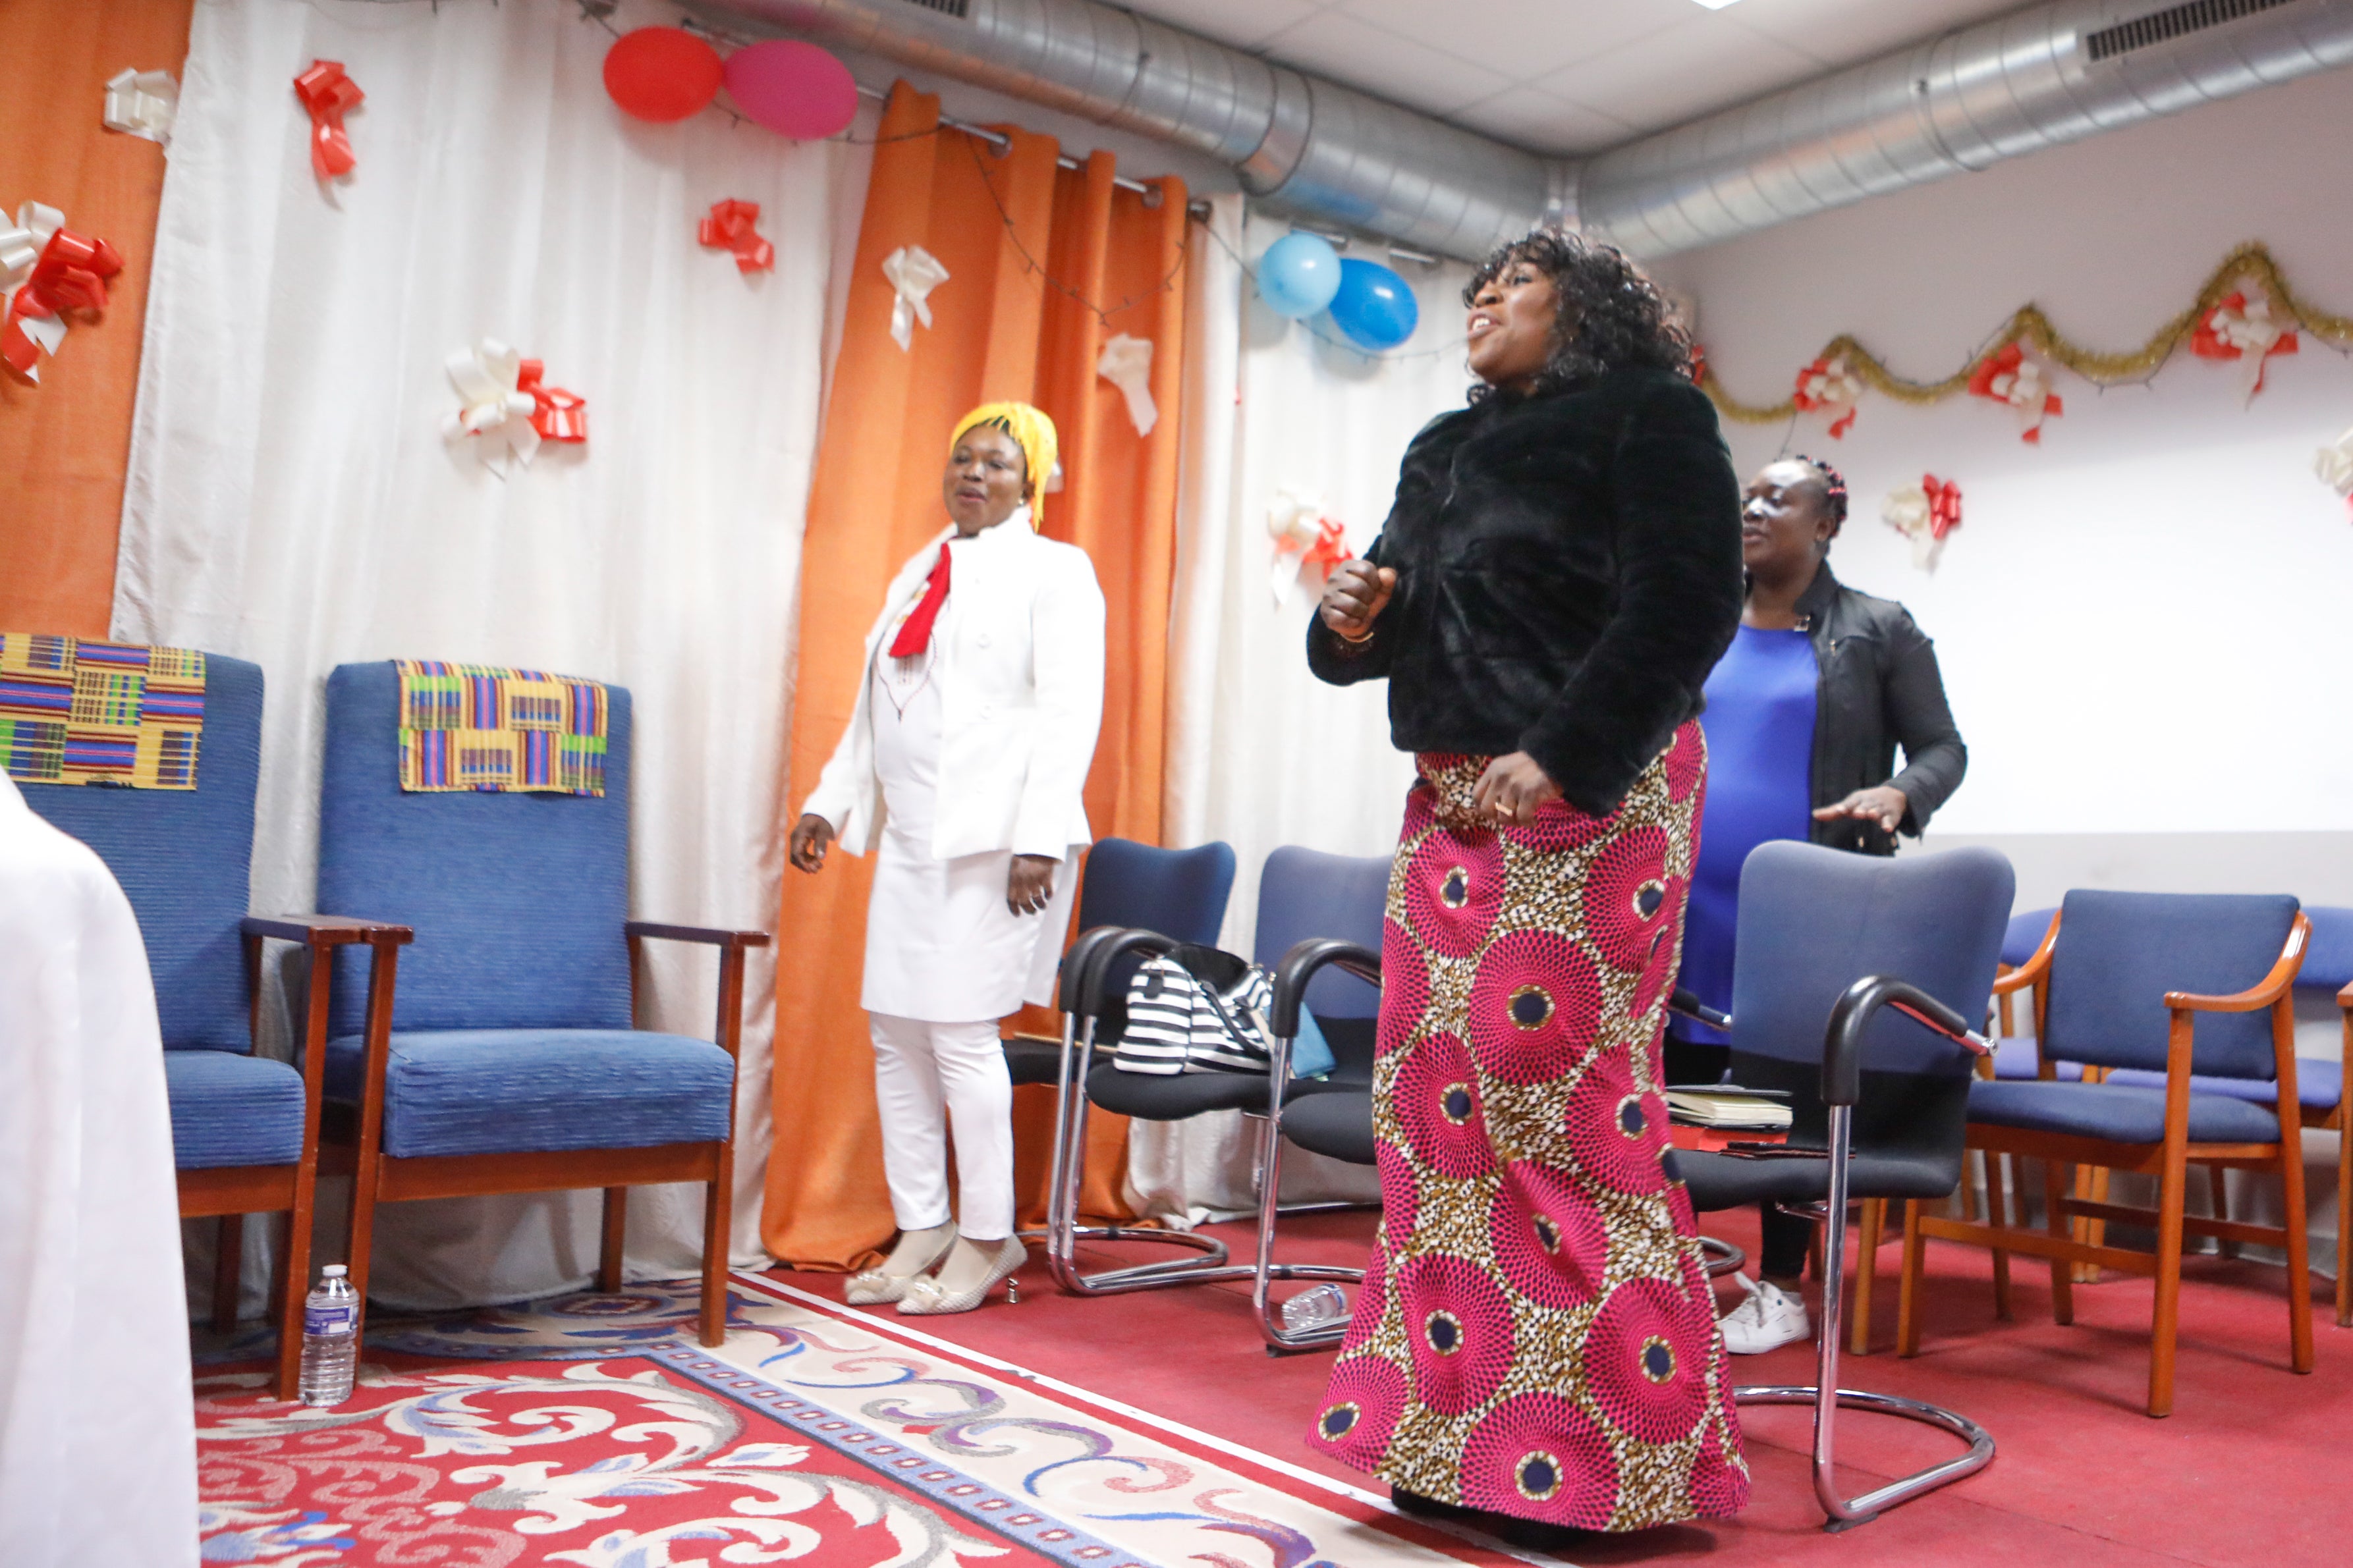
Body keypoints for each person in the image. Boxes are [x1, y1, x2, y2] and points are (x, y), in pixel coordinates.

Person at [1300, 229, 1748, 1543]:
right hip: (1450, 800)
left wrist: (1559, 755)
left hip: (1592, 789)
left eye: (1515, 283)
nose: (1483, 301)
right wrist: (1349, 619)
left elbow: (1687, 603)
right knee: (1434, 1113)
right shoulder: (1442, 446)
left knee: (1546, 1103)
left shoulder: (1650, 416)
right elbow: (1384, 636)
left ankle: (1602, 1460)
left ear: (1585, 308)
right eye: (1473, 289)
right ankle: (1454, 1441)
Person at [789, 402, 1105, 1316]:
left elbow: (1068, 710)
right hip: (916, 835)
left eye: (996, 463)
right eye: (962, 458)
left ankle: (986, 1235)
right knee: (897, 1029)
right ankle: (923, 1219)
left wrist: (1040, 836)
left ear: (1029, 481)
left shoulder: (1057, 571)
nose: (973, 474)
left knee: (963, 1036)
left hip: (1000, 841)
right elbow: (873, 704)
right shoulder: (922, 568)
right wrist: (830, 798)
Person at [1667, 454, 1967, 1355]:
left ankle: (1783, 1285)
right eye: (1747, 496)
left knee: (1782, 1098)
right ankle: (1670, 1268)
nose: (1753, 510)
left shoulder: (1876, 629)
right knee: (1676, 1081)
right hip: (1683, 901)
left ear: (1827, 523)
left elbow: (1944, 747)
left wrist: (1903, 794)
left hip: (1801, 908)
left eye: (1777, 499)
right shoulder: (1694, 622)